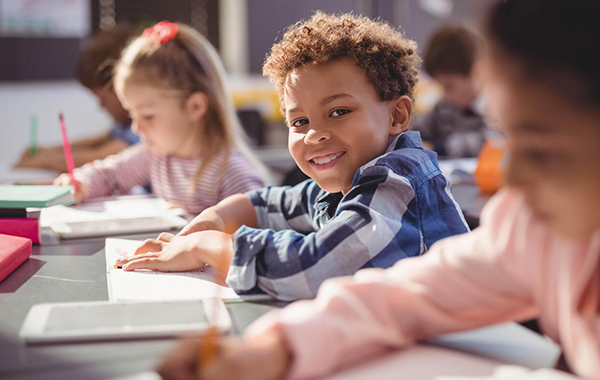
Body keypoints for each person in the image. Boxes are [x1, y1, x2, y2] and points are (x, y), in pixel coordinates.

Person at [155, 0, 600, 379]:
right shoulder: (532, 228)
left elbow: (326, 268)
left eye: (542, 148)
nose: (512, 179)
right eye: (508, 136)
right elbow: (406, 296)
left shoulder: (397, 180)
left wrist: (221, 247)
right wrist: (280, 348)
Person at [116, 12, 469, 301]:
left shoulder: (397, 183)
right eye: (299, 121)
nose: (313, 134)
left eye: (338, 112)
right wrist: (211, 220)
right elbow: (268, 204)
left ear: (397, 116)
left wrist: (209, 245)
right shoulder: (343, 181)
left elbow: (316, 270)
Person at [54, 21, 267, 215]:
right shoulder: (156, 157)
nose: (136, 128)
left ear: (195, 107)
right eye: (132, 114)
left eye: (147, 116)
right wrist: (80, 183)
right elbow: (108, 174)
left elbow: (256, 242)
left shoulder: (234, 176)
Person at [14, 26, 139, 172]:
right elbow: (103, 140)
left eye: (103, 99)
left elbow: (112, 152)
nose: (102, 106)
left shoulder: (142, 121)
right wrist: (51, 150)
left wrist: (43, 161)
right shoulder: (124, 123)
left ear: (122, 87)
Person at [410, 25, 492, 157]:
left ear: (476, 73)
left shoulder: (494, 109)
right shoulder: (445, 106)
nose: (445, 95)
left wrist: (437, 147)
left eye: (449, 86)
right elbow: (419, 128)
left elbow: (488, 142)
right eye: (441, 87)